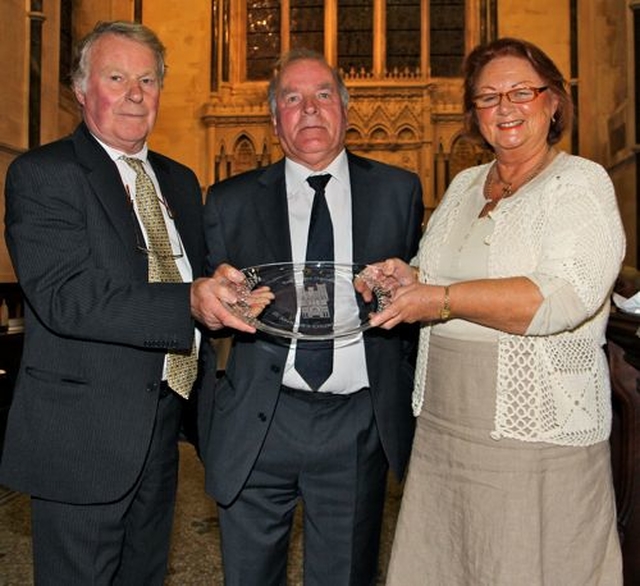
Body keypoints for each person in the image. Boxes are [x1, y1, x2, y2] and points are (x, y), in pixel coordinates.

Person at [0, 20, 256, 585]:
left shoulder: (180, 180)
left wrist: (229, 287)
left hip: (163, 426)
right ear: (82, 88)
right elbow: (67, 296)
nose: (136, 94)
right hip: (85, 436)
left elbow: (191, 273)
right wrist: (188, 301)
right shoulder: (44, 174)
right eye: (117, 77)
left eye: (148, 79)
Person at [365, 37, 625, 585]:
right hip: (445, 423)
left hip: (535, 426)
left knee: (528, 561)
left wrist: (437, 299)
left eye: (521, 91)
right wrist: (406, 277)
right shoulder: (462, 185)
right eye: (488, 97)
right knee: (451, 560)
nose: (504, 107)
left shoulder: (579, 182)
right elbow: (439, 271)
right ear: (474, 113)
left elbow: (565, 296)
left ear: (553, 102)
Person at [197, 49, 424, 585]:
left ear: (346, 111)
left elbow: (417, 297)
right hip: (259, 417)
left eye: (323, 95)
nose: (310, 109)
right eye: (292, 99)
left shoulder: (398, 191)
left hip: (355, 422)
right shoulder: (228, 202)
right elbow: (205, 312)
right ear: (275, 121)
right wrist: (218, 305)